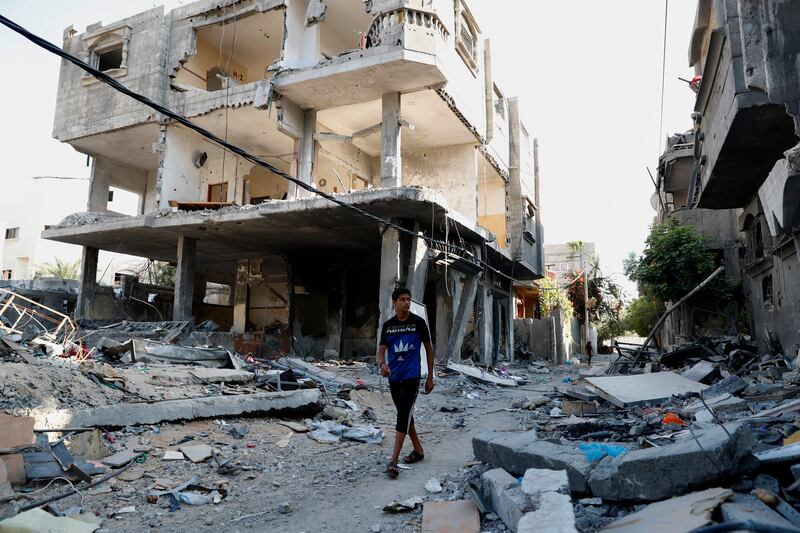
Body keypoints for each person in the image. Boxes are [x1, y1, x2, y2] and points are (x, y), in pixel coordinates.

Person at [377, 287, 434, 478]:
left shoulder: (418, 323)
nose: (407, 302)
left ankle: (393, 460)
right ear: (394, 302)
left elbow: (429, 350)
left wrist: (430, 377)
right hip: (394, 378)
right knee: (405, 414)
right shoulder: (388, 325)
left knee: (402, 416)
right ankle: (418, 451)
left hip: (412, 376)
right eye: (402, 299)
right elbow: (381, 350)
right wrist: (382, 364)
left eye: (409, 299)